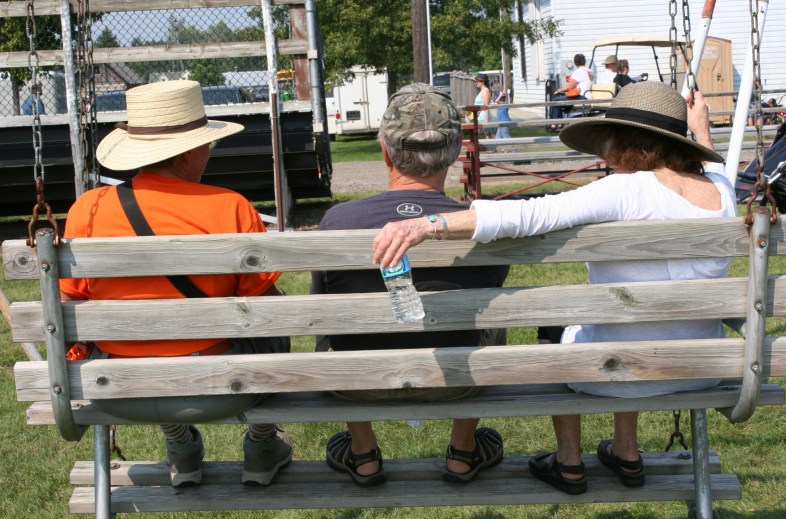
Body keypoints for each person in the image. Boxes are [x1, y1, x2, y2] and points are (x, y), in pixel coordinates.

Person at [371, 82, 735, 494]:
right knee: (618, 327)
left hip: (626, 373)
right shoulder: (722, 192)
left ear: (623, 141)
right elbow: (716, 170)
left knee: (560, 329)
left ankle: (568, 461)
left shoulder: (626, 191)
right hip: (703, 368)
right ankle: (625, 451)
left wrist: (428, 224)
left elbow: (530, 215)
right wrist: (702, 132)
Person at [60, 80, 292, 489]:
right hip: (221, 387)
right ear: (187, 151)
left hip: (117, 388)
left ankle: (181, 448)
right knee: (277, 320)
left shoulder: (88, 210)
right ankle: (262, 444)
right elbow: (262, 306)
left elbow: (68, 303)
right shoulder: (231, 207)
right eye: (207, 144)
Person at [311, 83, 509, 487]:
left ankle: (363, 454)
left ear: (385, 150)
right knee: (494, 319)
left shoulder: (338, 221)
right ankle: (463, 451)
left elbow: (319, 312)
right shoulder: (482, 228)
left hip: (358, 383)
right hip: (454, 382)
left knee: (330, 320)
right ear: (454, 152)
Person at [548, 53, 593, 132]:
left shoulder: (578, 72)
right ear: (584, 61)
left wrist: (559, 90)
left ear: (575, 63)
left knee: (556, 100)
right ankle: (559, 123)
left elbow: (569, 87)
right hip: (587, 95)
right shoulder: (589, 71)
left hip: (582, 96)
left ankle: (555, 124)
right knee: (559, 100)